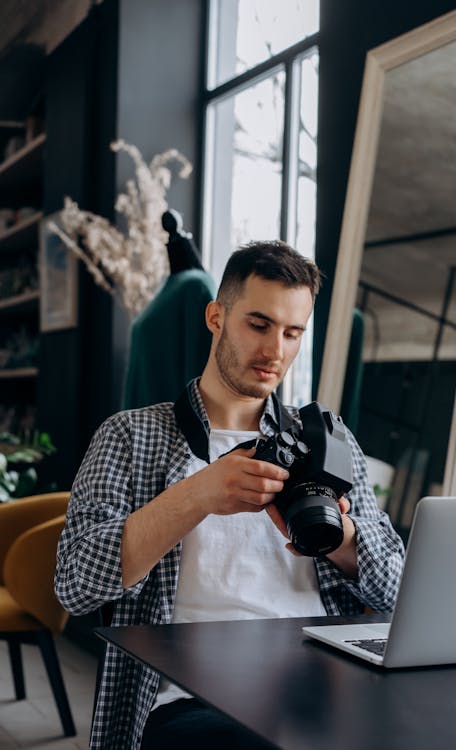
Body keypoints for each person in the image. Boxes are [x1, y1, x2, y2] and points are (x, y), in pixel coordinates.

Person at [55, 241, 405, 750]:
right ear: (216, 316)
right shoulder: (130, 436)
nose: (275, 351)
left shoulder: (326, 438)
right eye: (258, 325)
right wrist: (198, 494)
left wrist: (339, 536)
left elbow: (397, 591)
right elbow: (75, 585)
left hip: (326, 682)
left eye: (292, 333)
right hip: (191, 698)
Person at [122, 209, 216, 409]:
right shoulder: (167, 289)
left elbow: (202, 367)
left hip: (170, 429)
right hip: (144, 426)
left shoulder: (196, 288)